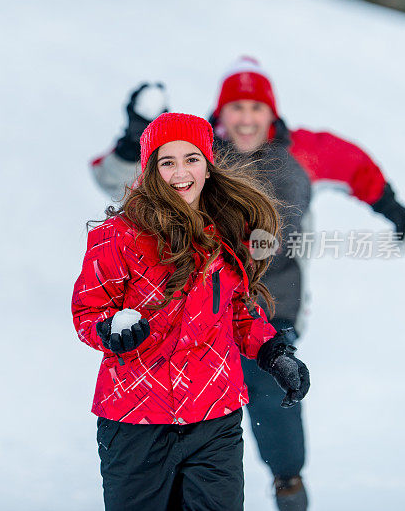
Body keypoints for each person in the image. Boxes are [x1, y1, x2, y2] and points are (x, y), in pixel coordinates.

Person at [88, 59, 405, 510]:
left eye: (255, 107)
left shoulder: (303, 151)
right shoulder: (195, 151)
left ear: (272, 113)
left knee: (271, 393)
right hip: (195, 304)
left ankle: (288, 479)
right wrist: (134, 140)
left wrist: (395, 210)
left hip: (275, 302)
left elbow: (357, 168)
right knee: (202, 399)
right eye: (235, 108)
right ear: (220, 113)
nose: (246, 118)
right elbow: (115, 181)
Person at [72, 112, 311, 511]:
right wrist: (110, 329)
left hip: (214, 417)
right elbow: (88, 311)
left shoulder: (229, 230)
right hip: (136, 421)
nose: (180, 171)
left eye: (192, 158)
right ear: (151, 170)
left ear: (208, 165)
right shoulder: (116, 238)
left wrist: (273, 352)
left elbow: (239, 308)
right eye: (167, 161)